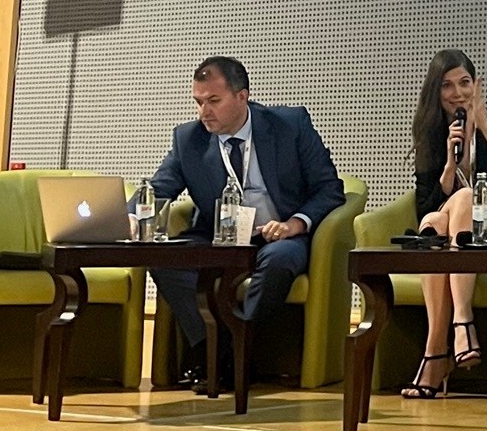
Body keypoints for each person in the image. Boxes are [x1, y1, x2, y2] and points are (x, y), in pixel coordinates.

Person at [148, 56, 345, 388]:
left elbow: (329, 189)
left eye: (214, 101)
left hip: (279, 235)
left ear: (242, 96)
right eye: (198, 101)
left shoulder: (289, 125)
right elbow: (158, 189)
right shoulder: (188, 139)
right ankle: (215, 350)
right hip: (219, 238)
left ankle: (236, 352)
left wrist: (295, 224)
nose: (204, 112)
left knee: (279, 262)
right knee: (163, 259)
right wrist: (131, 216)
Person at [401, 50, 487, 399]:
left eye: (464, 83)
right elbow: (424, 207)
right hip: (449, 231)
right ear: (436, 92)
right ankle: (458, 329)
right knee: (438, 216)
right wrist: (449, 165)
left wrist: (484, 126)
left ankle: (437, 353)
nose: (457, 93)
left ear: (477, 85)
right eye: (447, 85)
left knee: (454, 206)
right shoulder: (432, 137)